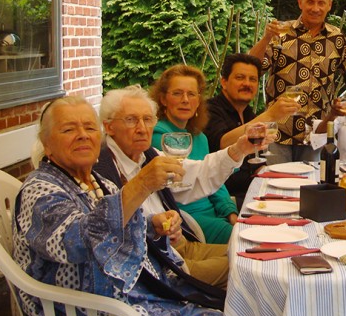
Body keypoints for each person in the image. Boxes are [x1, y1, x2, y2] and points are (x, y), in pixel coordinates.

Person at [14, 96, 243, 316]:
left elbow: (124, 227)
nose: (83, 135)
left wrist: (154, 226)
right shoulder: (40, 190)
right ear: (46, 143)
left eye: (88, 127)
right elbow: (76, 241)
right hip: (81, 312)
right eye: (68, 129)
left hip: (125, 297)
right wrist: (142, 184)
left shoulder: (99, 182)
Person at [94, 85, 259, 289]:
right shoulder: (101, 168)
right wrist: (154, 226)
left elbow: (195, 174)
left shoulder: (148, 155)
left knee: (255, 254)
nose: (142, 128)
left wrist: (237, 150)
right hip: (156, 265)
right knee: (249, 268)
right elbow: (105, 229)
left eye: (147, 119)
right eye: (131, 120)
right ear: (109, 127)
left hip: (178, 244)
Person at [249, 0, 346, 164]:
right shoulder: (281, 33)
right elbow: (252, 68)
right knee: (277, 188)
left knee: (312, 188)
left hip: (318, 133)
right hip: (279, 132)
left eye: (321, 2)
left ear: (329, 5)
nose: (315, 8)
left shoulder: (337, 38)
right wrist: (266, 38)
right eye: (310, 2)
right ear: (300, 2)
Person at [150, 64, 241, 244]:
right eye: (177, 93)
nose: (185, 100)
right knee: (246, 242)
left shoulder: (199, 137)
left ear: (198, 101)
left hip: (214, 213)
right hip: (188, 219)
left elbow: (214, 180)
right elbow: (176, 190)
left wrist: (230, 211)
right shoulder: (159, 136)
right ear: (163, 99)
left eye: (191, 94)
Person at [205, 53, 300, 203]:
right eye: (240, 78)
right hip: (225, 199)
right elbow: (222, 142)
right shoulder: (210, 109)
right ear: (224, 82)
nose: (247, 84)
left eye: (253, 79)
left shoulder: (248, 113)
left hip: (253, 190)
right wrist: (270, 115)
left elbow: (257, 161)